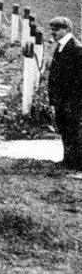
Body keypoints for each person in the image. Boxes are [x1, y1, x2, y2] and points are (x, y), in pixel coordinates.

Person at [48, 16, 82, 171]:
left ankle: (75, 163)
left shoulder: (76, 48)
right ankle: (67, 160)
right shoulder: (61, 46)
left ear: (67, 30)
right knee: (64, 128)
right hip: (62, 99)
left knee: (72, 130)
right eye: (52, 29)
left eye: (57, 29)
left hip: (72, 100)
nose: (53, 33)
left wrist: (72, 100)